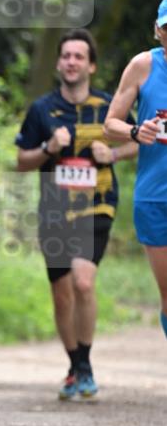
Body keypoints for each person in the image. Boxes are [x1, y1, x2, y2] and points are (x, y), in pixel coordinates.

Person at [15, 29, 138, 400]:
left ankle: (83, 365)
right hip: (54, 208)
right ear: (58, 63)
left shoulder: (108, 106)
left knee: (83, 282)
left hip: (97, 202)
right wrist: (47, 148)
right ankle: (76, 366)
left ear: (91, 65)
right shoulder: (42, 109)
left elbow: (138, 139)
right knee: (62, 295)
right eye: (66, 56)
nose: (71, 62)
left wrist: (112, 154)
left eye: (79, 56)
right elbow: (22, 162)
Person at [105, 0, 167, 339]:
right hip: (155, 197)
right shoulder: (143, 66)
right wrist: (134, 131)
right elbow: (110, 124)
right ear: (158, 29)